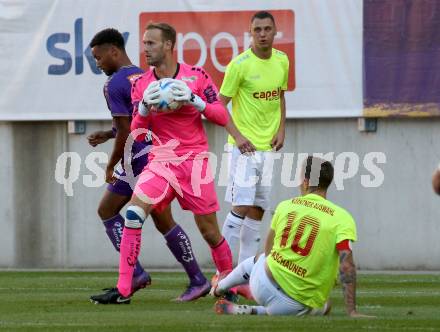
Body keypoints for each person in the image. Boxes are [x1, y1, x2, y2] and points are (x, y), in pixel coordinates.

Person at [90, 23, 234, 304]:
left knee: (209, 232)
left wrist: (195, 101)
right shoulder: (140, 83)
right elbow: (135, 127)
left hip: (192, 161)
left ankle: (226, 281)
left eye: (151, 43)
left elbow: (220, 114)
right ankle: (124, 287)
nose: (145, 49)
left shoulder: (195, 75)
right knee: (133, 214)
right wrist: (143, 108)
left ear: (168, 45)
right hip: (159, 161)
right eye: (144, 43)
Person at [211, 156, 373, 318]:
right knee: (324, 306)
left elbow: (268, 252)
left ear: (306, 182)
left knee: (258, 259)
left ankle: (219, 287)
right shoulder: (342, 218)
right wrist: (352, 311)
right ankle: (258, 311)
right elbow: (347, 266)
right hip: (294, 305)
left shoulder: (286, 206)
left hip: (262, 283)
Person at [219, 11, 289, 274]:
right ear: (250, 32)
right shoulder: (239, 65)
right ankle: (222, 271)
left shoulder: (282, 60)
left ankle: (245, 273)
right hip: (244, 149)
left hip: (268, 148)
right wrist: (237, 137)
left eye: (267, 29)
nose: (262, 34)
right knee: (241, 206)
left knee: (258, 209)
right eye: (257, 29)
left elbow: (280, 97)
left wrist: (282, 129)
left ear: (275, 31)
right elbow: (218, 105)